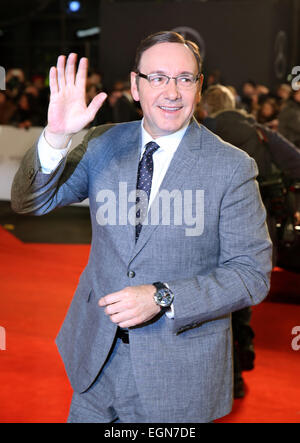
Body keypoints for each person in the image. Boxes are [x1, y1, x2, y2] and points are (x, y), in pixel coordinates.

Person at [11, 31, 272, 423]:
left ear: (199, 88)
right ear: (136, 85)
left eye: (185, 78)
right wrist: (57, 138)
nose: (172, 91)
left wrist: (163, 296)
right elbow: (31, 200)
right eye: (158, 77)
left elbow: (252, 274)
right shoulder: (102, 144)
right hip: (95, 362)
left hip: (178, 376)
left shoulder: (231, 166)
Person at [200, 84, 300, 397]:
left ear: (206, 107)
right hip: (255, 230)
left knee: (209, 306)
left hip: (206, 231)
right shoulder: (260, 133)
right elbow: (297, 163)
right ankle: (238, 374)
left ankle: (214, 377)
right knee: (240, 300)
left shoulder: (200, 132)